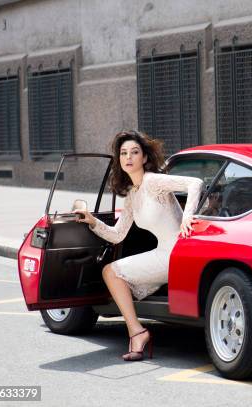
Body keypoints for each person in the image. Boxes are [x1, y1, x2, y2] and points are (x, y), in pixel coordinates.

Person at [74, 130, 203, 362]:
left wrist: (187, 217)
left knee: (110, 272)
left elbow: (195, 183)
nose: (129, 157)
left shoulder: (153, 181)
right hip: (163, 252)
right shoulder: (133, 194)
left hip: (177, 252)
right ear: (119, 159)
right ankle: (137, 331)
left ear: (144, 158)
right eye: (123, 153)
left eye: (134, 152)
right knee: (111, 272)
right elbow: (117, 235)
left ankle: (137, 332)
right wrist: (92, 221)